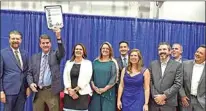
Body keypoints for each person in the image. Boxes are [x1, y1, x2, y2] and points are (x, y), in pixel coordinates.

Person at [27, 28, 65, 111]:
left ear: (50, 44)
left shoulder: (55, 55)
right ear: (40, 45)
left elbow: (62, 52)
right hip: (38, 92)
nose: (45, 45)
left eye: (47, 43)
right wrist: (31, 83)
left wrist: (58, 38)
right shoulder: (34, 57)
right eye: (43, 43)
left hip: (52, 91)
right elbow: (29, 73)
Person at [0, 30, 30, 111]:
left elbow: (26, 72)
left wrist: (27, 87)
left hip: (22, 91)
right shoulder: (2, 53)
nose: (15, 41)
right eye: (13, 38)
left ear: (21, 40)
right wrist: (1, 91)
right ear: (9, 40)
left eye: (17, 39)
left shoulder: (25, 54)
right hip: (8, 91)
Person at [149, 42, 183, 111]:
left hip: (169, 103)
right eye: (160, 50)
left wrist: (164, 96)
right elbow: (150, 81)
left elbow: (178, 84)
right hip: (154, 103)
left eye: (164, 49)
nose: (162, 51)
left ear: (170, 51)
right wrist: (156, 97)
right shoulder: (152, 64)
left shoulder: (177, 65)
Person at [89, 42, 119, 111]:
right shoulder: (95, 62)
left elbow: (114, 78)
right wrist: (94, 87)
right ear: (100, 50)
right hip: (96, 93)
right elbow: (91, 76)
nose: (105, 50)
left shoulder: (113, 62)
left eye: (107, 49)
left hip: (108, 93)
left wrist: (104, 89)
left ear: (110, 50)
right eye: (103, 48)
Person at [63, 43, 93, 111]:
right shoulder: (68, 62)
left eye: (80, 49)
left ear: (83, 51)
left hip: (82, 94)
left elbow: (87, 78)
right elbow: (65, 77)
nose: (78, 50)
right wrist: (70, 91)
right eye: (76, 49)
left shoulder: (88, 63)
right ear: (74, 51)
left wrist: (75, 90)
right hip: (69, 94)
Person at [179, 45, 205, 111]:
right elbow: (179, 82)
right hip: (186, 101)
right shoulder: (185, 64)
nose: (197, 54)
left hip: (202, 104)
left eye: (201, 53)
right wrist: (182, 95)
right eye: (197, 52)